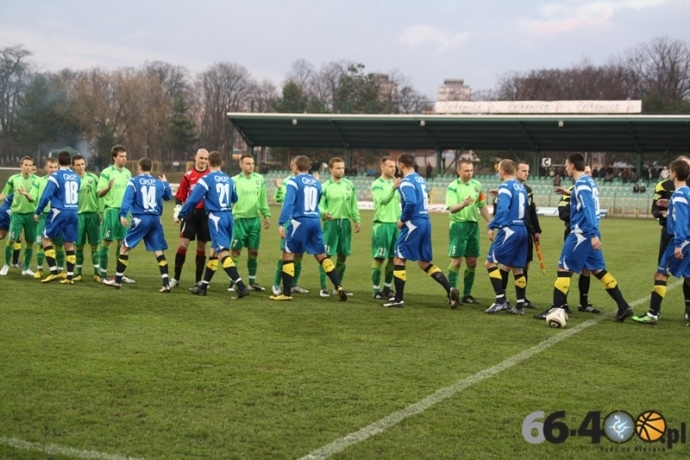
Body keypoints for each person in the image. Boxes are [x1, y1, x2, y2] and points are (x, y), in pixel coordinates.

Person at [548, 152, 633, 322]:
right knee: (598, 270)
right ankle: (623, 306)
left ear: (572, 165)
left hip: (582, 233)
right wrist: (568, 192)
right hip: (589, 233)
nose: (565, 168)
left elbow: (589, 210)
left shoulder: (582, 184)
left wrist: (593, 234)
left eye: (566, 165)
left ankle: (556, 310)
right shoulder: (588, 183)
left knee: (563, 268)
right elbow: (586, 202)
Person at [383, 153, 460, 308]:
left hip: (413, 224)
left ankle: (398, 299)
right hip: (425, 222)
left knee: (399, 257)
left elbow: (411, 203)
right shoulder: (421, 180)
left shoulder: (406, 182)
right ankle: (450, 289)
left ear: (401, 165)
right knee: (424, 262)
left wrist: (402, 220)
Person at [269, 155, 348, 302]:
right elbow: (317, 202)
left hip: (299, 221)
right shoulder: (317, 183)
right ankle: (338, 286)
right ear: (309, 167)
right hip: (315, 221)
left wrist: (281, 222)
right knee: (321, 255)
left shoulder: (294, 181)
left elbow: (288, 203)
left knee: (288, 253)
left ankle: (286, 293)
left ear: (295, 167)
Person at [176, 151, 249, 298]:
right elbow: (235, 197)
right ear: (221, 163)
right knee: (213, 252)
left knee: (222, 252)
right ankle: (203, 286)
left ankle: (241, 286)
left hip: (216, 218)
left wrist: (181, 214)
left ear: (209, 163)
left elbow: (192, 199)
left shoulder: (207, 178)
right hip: (228, 216)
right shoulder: (229, 180)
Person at [535, 165, 600, 319]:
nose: (588, 174)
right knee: (567, 269)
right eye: (586, 172)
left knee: (587, 270)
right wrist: (578, 217)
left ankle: (583, 304)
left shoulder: (589, 188)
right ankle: (561, 304)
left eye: (590, 172)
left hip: (587, 233)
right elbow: (563, 212)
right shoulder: (574, 188)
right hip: (574, 233)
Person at [632, 159, 690, 325]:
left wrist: (678, 244)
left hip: (679, 240)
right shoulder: (686, 193)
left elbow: (681, 221)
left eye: (671, 171)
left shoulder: (678, 195)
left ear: (674, 174)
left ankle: (652, 313)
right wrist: (670, 204)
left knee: (661, 274)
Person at [102, 158, 172, 292]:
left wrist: (123, 214)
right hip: (156, 219)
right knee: (159, 251)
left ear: (139, 167)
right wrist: (165, 183)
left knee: (124, 248)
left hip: (141, 218)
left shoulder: (134, 181)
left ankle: (117, 281)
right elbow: (168, 196)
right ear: (150, 168)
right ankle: (165, 284)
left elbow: (127, 198)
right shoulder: (158, 183)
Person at [483, 160, 529, 314]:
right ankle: (520, 305)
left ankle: (500, 300)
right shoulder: (521, 187)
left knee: (490, 263)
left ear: (502, 170)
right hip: (522, 229)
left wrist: (492, 225)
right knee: (517, 268)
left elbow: (502, 210)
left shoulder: (505, 186)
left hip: (510, 230)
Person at [445, 159, 491, 305]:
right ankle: (452, 293)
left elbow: (482, 205)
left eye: (471, 170)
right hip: (458, 226)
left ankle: (467, 295)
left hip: (473, 226)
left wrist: (490, 222)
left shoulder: (477, 185)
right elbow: (451, 208)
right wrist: (463, 204)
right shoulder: (452, 187)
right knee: (457, 262)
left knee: (472, 262)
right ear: (458, 171)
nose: (469, 173)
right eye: (466, 170)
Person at [34, 150, 80, 284]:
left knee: (46, 239)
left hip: (59, 211)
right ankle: (70, 276)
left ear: (58, 162)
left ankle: (54, 272)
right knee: (69, 244)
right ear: (71, 162)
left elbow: (46, 196)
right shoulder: (76, 177)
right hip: (73, 211)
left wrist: (38, 211)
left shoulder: (55, 176)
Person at [317, 157, 361, 297]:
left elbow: (353, 205)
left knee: (343, 256)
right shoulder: (324, 187)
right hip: (331, 224)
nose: (341, 170)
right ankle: (323, 287)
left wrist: (356, 219)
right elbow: (319, 205)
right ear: (331, 169)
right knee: (326, 256)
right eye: (337, 168)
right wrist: (324, 213)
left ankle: (338, 287)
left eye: (342, 168)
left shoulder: (349, 185)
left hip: (345, 224)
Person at [227, 154, 271, 292]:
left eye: (252, 163)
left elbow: (262, 199)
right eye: (247, 163)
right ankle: (233, 282)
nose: (251, 166)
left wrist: (266, 215)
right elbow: (228, 201)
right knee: (235, 252)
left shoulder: (259, 179)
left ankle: (252, 283)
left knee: (254, 251)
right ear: (241, 165)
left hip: (254, 221)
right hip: (239, 220)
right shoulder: (233, 181)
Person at [171, 149, 210, 288]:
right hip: (189, 213)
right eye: (201, 158)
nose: (203, 161)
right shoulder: (188, 176)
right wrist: (177, 212)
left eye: (206, 159)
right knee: (183, 245)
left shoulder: (211, 175)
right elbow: (179, 197)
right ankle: (176, 278)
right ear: (195, 158)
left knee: (201, 247)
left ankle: (198, 280)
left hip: (205, 214)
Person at [96, 145, 134, 283]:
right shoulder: (106, 173)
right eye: (121, 156)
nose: (124, 158)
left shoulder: (128, 173)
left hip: (125, 212)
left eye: (125, 156)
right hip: (111, 211)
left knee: (123, 244)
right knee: (106, 242)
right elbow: (99, 193)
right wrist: (108, 187)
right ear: (114, 157)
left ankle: (120, 274)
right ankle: (103, 275)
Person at [270, 158, 308, 295]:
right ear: (291, 165)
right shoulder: (287, 182)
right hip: (290, 222)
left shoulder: (306, 182)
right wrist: (279, 188)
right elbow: (279, 199)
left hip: (303, 223)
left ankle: (293, 284)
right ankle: (276, 284)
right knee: (286, 254)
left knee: (299, 255)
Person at [0, 156, 38, 276]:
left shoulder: (37, 180)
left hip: (31, 215)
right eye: (25, 165)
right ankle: (6, 264)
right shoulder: (13, 179)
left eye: (30, 165)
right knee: (11, 240)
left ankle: (26, 268)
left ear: (32, 167)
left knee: (30, 241)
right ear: (21, 166)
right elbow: (5, 193)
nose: (28, 167)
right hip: (16, 214)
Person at [370, 157, 401, 300]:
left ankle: (387, 288)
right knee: (379, 259)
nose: (393, 169)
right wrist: (393, 187)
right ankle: (376, 291)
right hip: (382, 225)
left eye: (394, 166)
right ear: (382, 168)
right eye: (390, 166)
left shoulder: (395, 184)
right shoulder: (377, 184)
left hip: (395, 225)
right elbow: (383, 200)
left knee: (393, 259)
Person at [32, 157, 65, 278]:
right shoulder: (39, 182)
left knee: (59, 244)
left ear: (58, 167)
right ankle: (40, 269)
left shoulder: (62, 181)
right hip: (44, 215)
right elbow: (34, 197)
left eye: (55, 167)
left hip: (58, 215)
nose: (53, 169)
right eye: (50, 167)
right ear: (45, 167)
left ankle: (61, 271)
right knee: (41, 243)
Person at [72, 155, 101, 281]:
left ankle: (97, 273)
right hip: (78, 216)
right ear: (73, 166)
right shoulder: (72, 180)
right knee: (79, 246)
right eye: (77, 165)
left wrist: (100, 212)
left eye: (82, 164)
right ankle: (78, 273)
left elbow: (100, 195)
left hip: (93, 215)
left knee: (95, 246)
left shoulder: (93, 178)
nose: (80, 167)